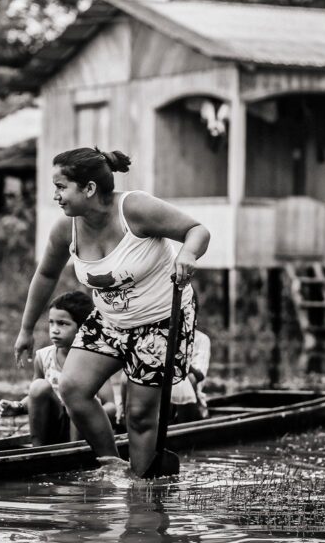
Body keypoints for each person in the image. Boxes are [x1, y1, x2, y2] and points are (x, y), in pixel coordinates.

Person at [14, 147, 210, 476]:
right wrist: (25, 330)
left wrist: (188, 254)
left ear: (89, 188)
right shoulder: (66, 229)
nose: (56, 196)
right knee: (73, 388)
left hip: (161, 320)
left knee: (140, 415)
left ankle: (142, 482)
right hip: (110, 320)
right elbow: (46, 275)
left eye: (61, 187)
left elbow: (197, 231)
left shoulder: (134, 208)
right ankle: (113, 466)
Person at [0, 291, 118, 446]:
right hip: (54, 428)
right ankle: (38, 451)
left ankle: (74, 452)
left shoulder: (93, 360)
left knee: (78, 399)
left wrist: (81, 410)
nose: (54, 329)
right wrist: (19, 406)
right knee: (39, 386)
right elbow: (36, 398)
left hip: (83, 430)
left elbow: (111, 406)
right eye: (51, 322)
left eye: (62, 323)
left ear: (82, 328)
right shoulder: (43, 357)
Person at [170, 329, 211, 423]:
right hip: (163, 401)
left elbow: (199, 376)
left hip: (192, 398)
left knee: (190, 379)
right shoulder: (163, 335)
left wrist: (183, 362)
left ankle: (184, 424)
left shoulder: (202, 339)